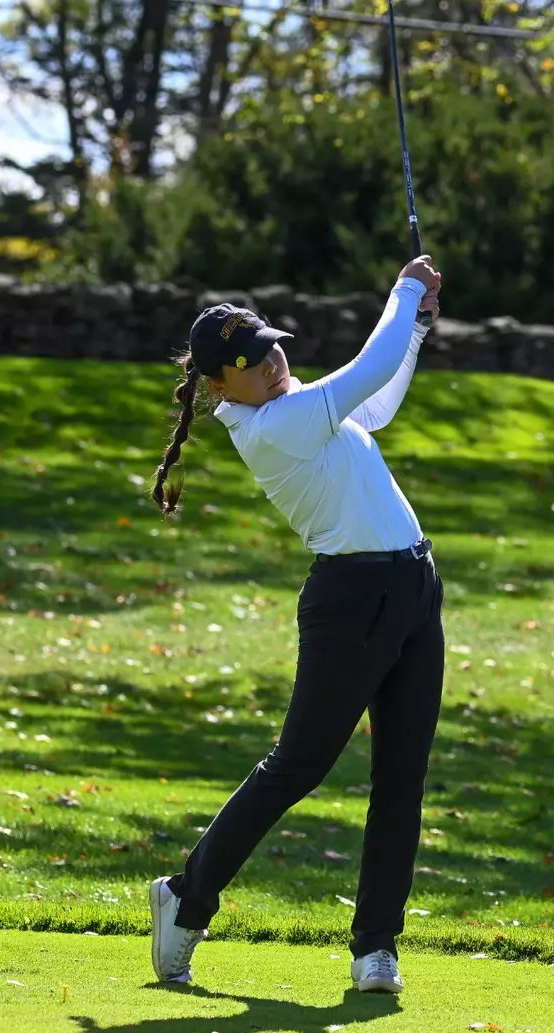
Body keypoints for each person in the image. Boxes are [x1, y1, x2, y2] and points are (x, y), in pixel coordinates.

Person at [145, 255, 446, 995]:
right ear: (222, 387)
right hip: (351, 600)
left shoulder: (298, 405)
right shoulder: (274, 426)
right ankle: (186, 896)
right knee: (299, 765)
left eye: (272, 348)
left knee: (402, 776)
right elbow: (367, 372)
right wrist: (406, 289)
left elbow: (375, 405)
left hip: (414, 587)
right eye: (252, 363)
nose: (272, 363)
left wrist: (415, 329)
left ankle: (377, 947)